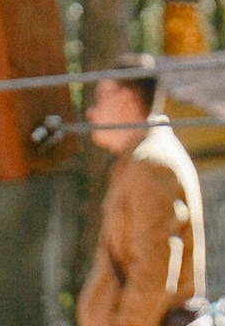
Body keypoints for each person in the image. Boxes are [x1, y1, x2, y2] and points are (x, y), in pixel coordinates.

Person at [77, 64, 207, 326]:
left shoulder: (150, 164)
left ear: (126, 100)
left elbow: (154, 271)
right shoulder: (138, 162)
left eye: (100, 99)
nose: (91, 112)